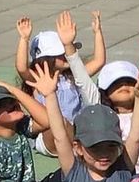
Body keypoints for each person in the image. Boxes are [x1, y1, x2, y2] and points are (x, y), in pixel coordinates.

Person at [16, 11, 105, 152]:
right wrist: (24, 39)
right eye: (61, 54)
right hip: (49, 137)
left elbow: (99, 61)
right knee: (58, 121)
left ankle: (83, 149)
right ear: (45, 58)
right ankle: (83, 150)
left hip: (75, 133)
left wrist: (97, 32)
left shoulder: (72, 76)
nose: (66, 56)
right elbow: (22, 68)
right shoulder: (37, 79)